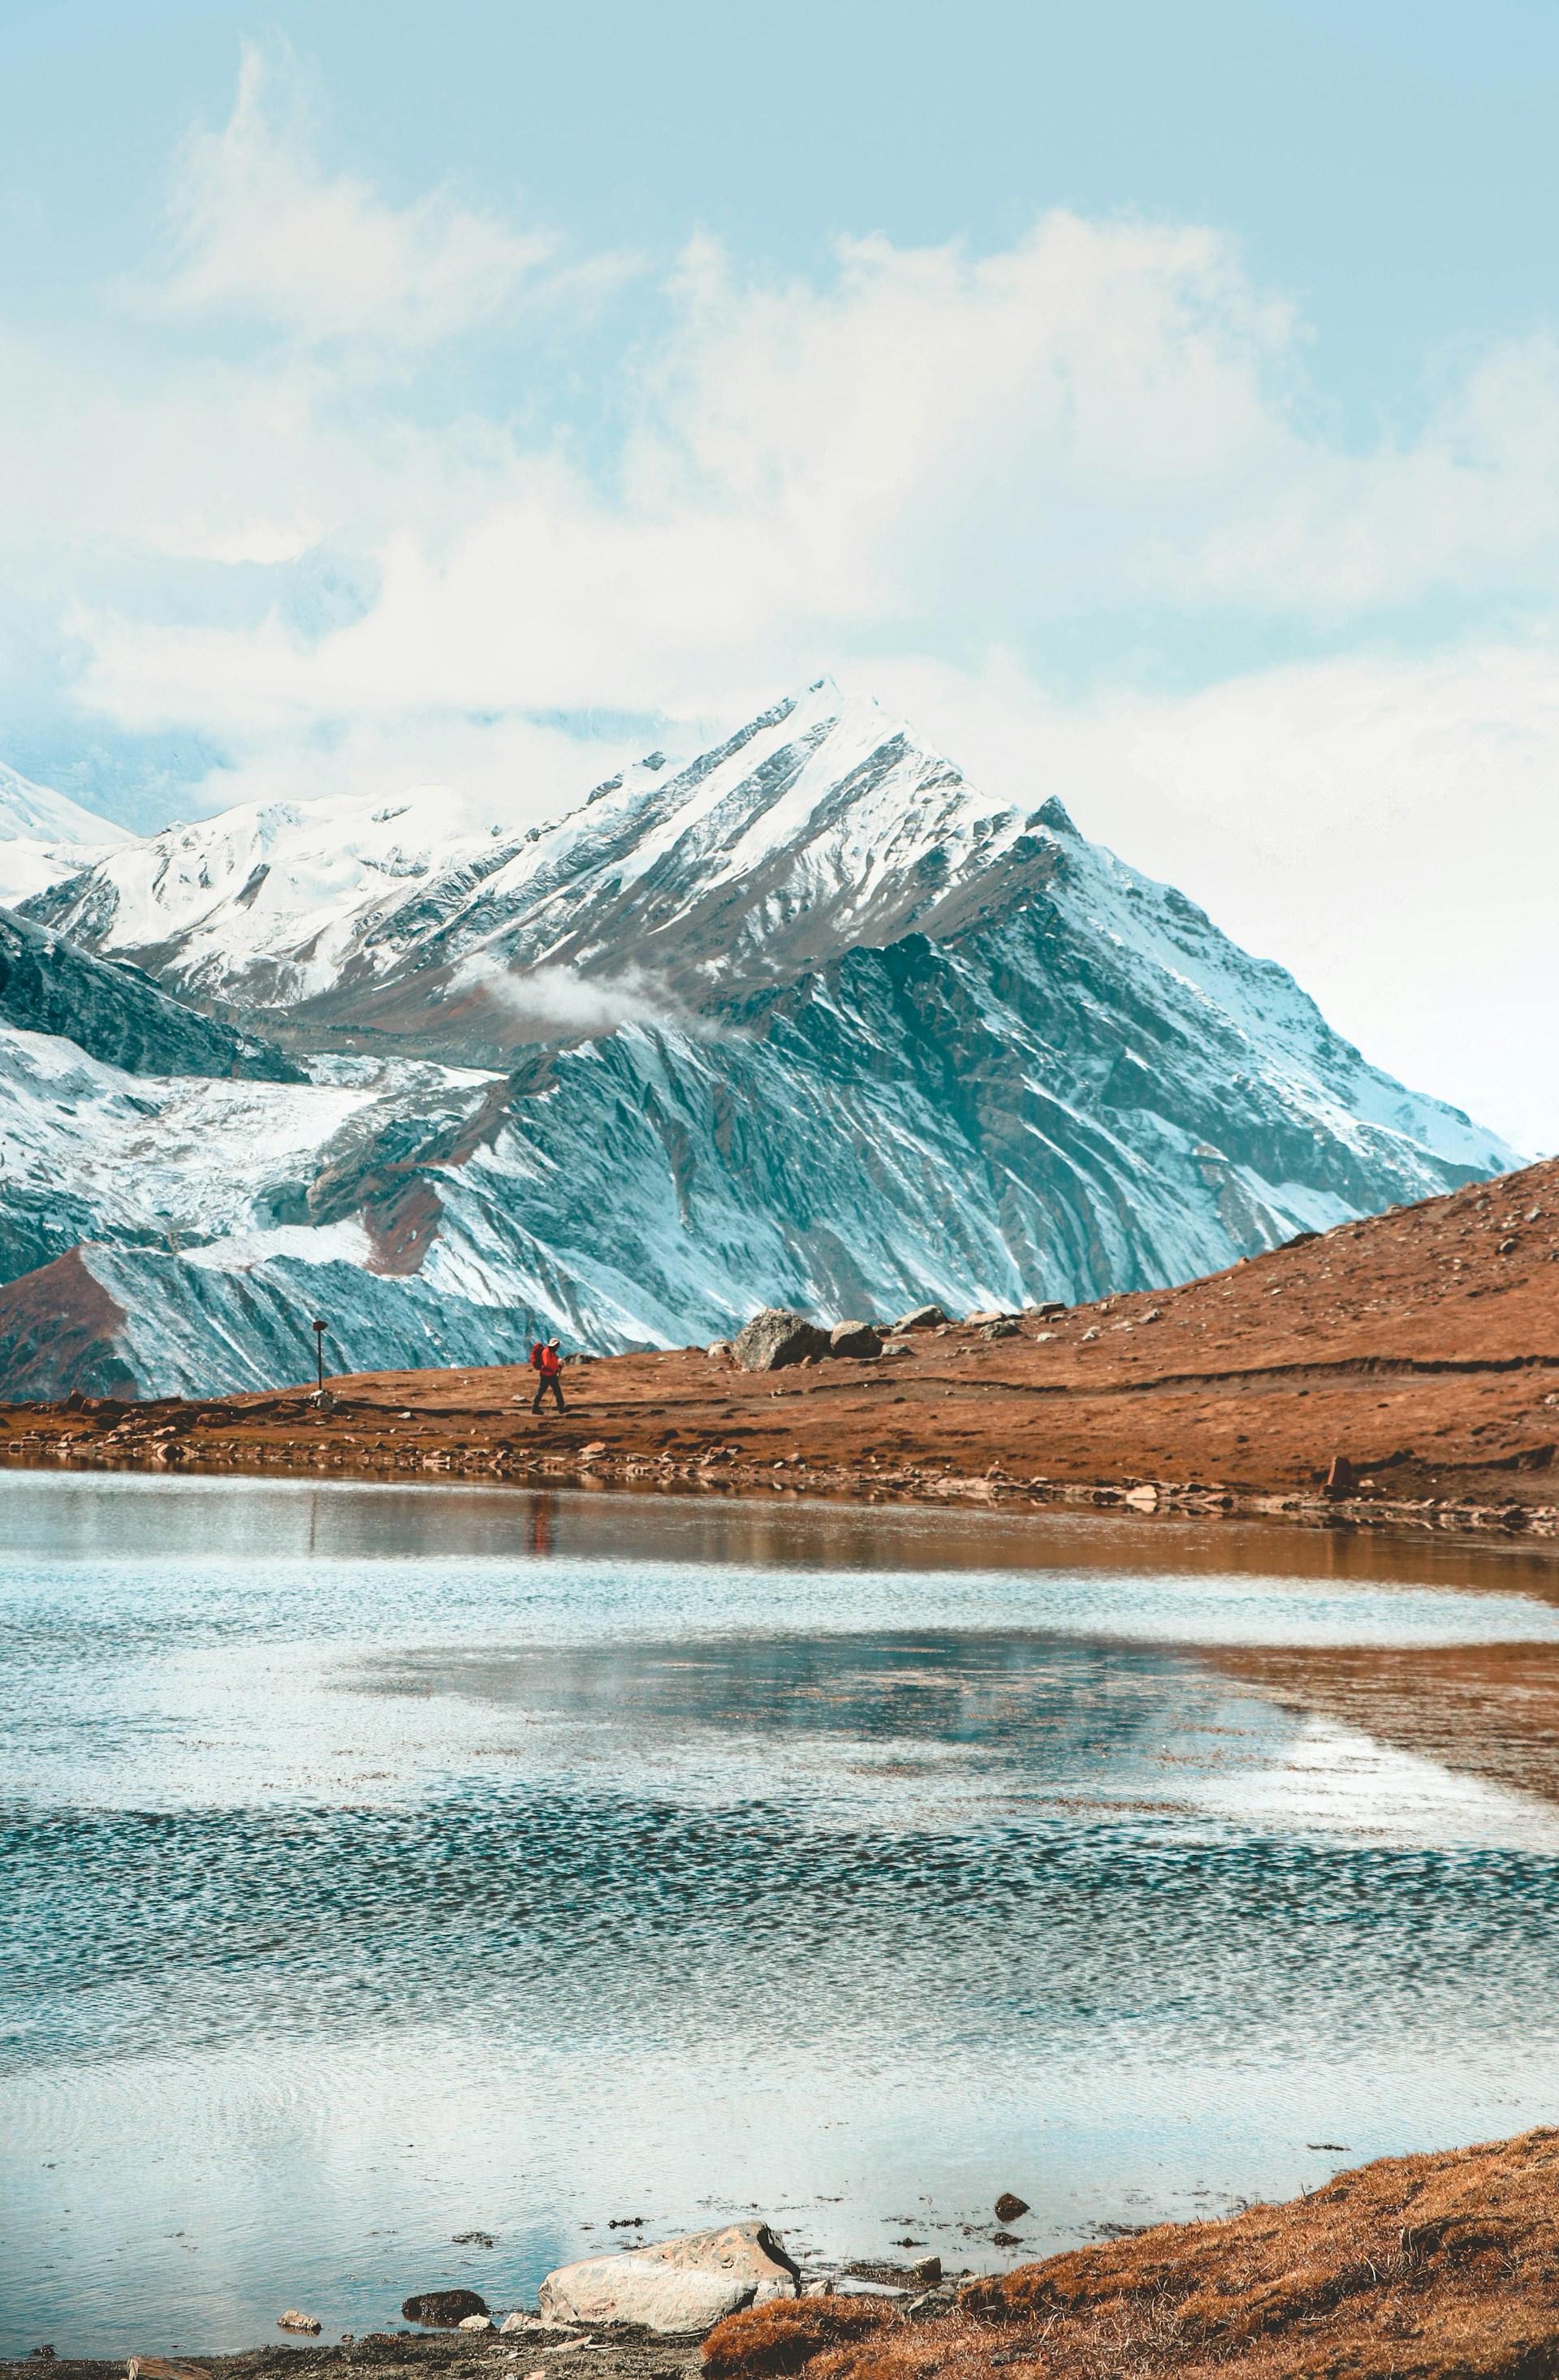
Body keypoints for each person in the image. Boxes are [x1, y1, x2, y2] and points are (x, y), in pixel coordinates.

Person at [530, 1337, 565, 1414]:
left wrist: (557, 1367)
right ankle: (535, 1407)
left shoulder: (551, 1352)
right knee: (545, 1391)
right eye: (557, 1346)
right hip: (547, 1375)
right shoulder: (547, 1352)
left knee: (554, 1391)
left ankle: (561, 1407)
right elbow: (547, 1364)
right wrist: (556, 1368)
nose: (557, 1347)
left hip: (550, 1374)